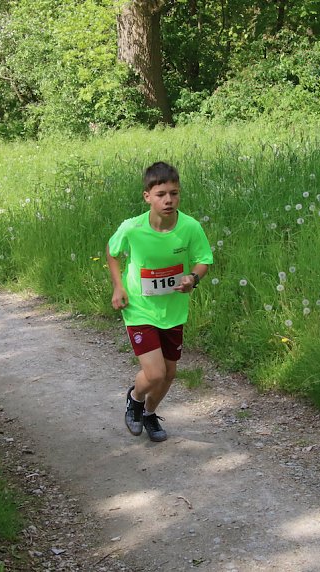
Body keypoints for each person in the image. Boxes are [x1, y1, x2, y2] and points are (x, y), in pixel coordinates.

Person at [106, 162, 213, 442]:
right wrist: (118, 287)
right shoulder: (132, 228)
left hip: (173, 311)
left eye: (174, 193)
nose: (168, 200)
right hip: (139, 309)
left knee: (169, 374)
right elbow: (112, 251)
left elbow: (204, 260)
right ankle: (135, 398)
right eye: (161, 194)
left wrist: (192, 278)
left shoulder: (190, 227)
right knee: (154, 374)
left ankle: (150, 414)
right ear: (147, 197)